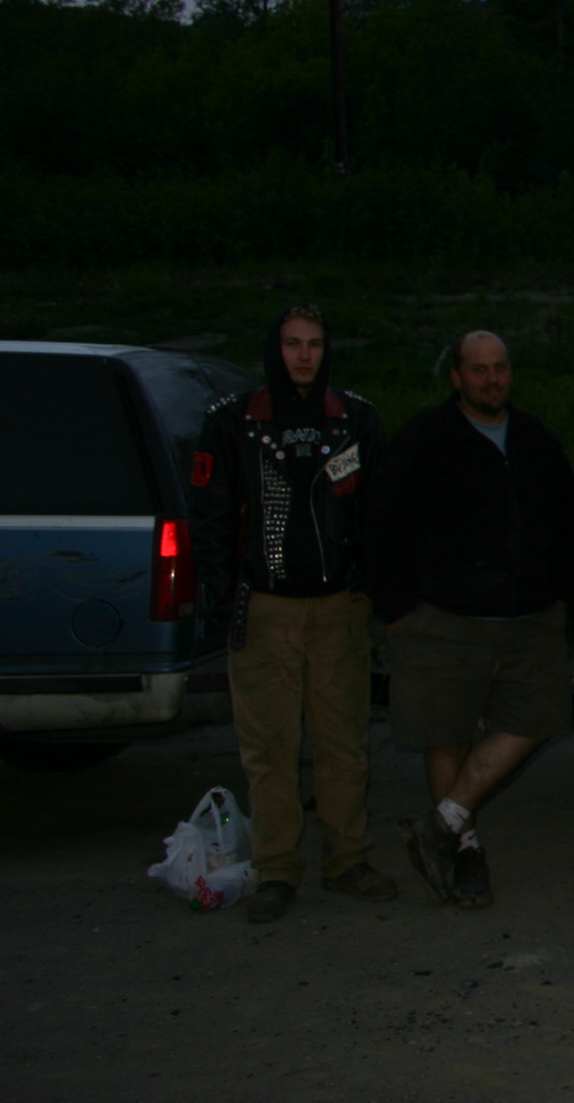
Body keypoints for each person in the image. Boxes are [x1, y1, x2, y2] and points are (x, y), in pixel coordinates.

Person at [190, 305, 396, 924]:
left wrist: (372, 589)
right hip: (264, 608)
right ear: (273, 349)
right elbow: (209, 517)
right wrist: (226, 599)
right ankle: (277, 869)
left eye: (313, 344)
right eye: (291, 343)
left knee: (344, 744)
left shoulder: (355, 419)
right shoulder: (231, 422)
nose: (303, 355)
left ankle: (347, 859)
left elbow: (380, 512)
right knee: (269, 750)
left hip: (338, 609)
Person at [368, 330, 574, 912]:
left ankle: (441, 823)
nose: (492, 379)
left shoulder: (536, 439)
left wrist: (563, 596)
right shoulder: (424, 439)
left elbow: (568, 520)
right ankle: (463, 852)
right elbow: (382, 523)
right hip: (444, 620)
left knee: (540, 716)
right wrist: (397, 610)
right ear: (457, 376)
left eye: (500, 367)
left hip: (530, 619)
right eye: (479, 369)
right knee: (448, 734)